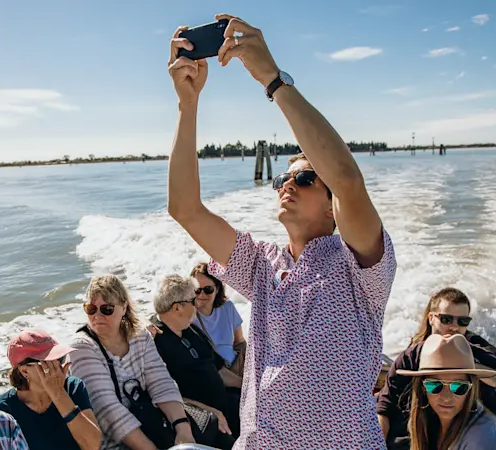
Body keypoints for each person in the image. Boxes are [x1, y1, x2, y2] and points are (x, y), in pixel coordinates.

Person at [166, 13, 397, 448]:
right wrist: (187, 104)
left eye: (305, 177)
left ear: (334, 208)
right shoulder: (261, 264)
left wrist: (272, 79)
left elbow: (347, 178)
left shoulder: (359, 264)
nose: (287, 183)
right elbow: (185, 209)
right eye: (281, 179)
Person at [376, 288, 496, 449]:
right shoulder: (411, 357)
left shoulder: (478, 352)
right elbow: (384, 408)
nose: (454, 327)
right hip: (418, 433)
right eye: (446, 319)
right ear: (431, 318)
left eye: (462, 322)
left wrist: (472, 369)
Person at [67, 274, 195, 450]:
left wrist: (183, 429)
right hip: (112, 444)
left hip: (151, 425)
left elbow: (161, 382)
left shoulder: (140, 336)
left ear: (123, 307)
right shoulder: (81, 348)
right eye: (90, 309)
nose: (97, 315)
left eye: (106, 309)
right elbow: (107, 410)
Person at [150, 274, 241, 448]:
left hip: (224, 403)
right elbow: (160, 394)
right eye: (193, 299)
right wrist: (210, 411)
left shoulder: (191, 329)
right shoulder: (154, 340)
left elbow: (218, 369)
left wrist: (246, 386)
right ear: (177, 307)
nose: (198, 303)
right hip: (201, 418)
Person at [0, 329, 101, 450]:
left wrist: (58, 394)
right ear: (24, 371)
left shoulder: (73, 388)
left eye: (60, 359)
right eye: (48, 363)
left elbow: (93, 446)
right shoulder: (2, 412)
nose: (58, 367)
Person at [397, 334, 496, 450]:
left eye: (458, 387)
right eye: (435, 385)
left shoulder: (484, 439)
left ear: (470, 389)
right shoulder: (424, 420)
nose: (446, 397)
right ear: (423, 388)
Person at [190, 263, 247, 376]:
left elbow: (240, 342)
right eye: (197, 290)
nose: (201, 294)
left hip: (236, 369)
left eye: (208, 289)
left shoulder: (228, 307)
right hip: (210, 375)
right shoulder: (187, 315)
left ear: (217, 289)